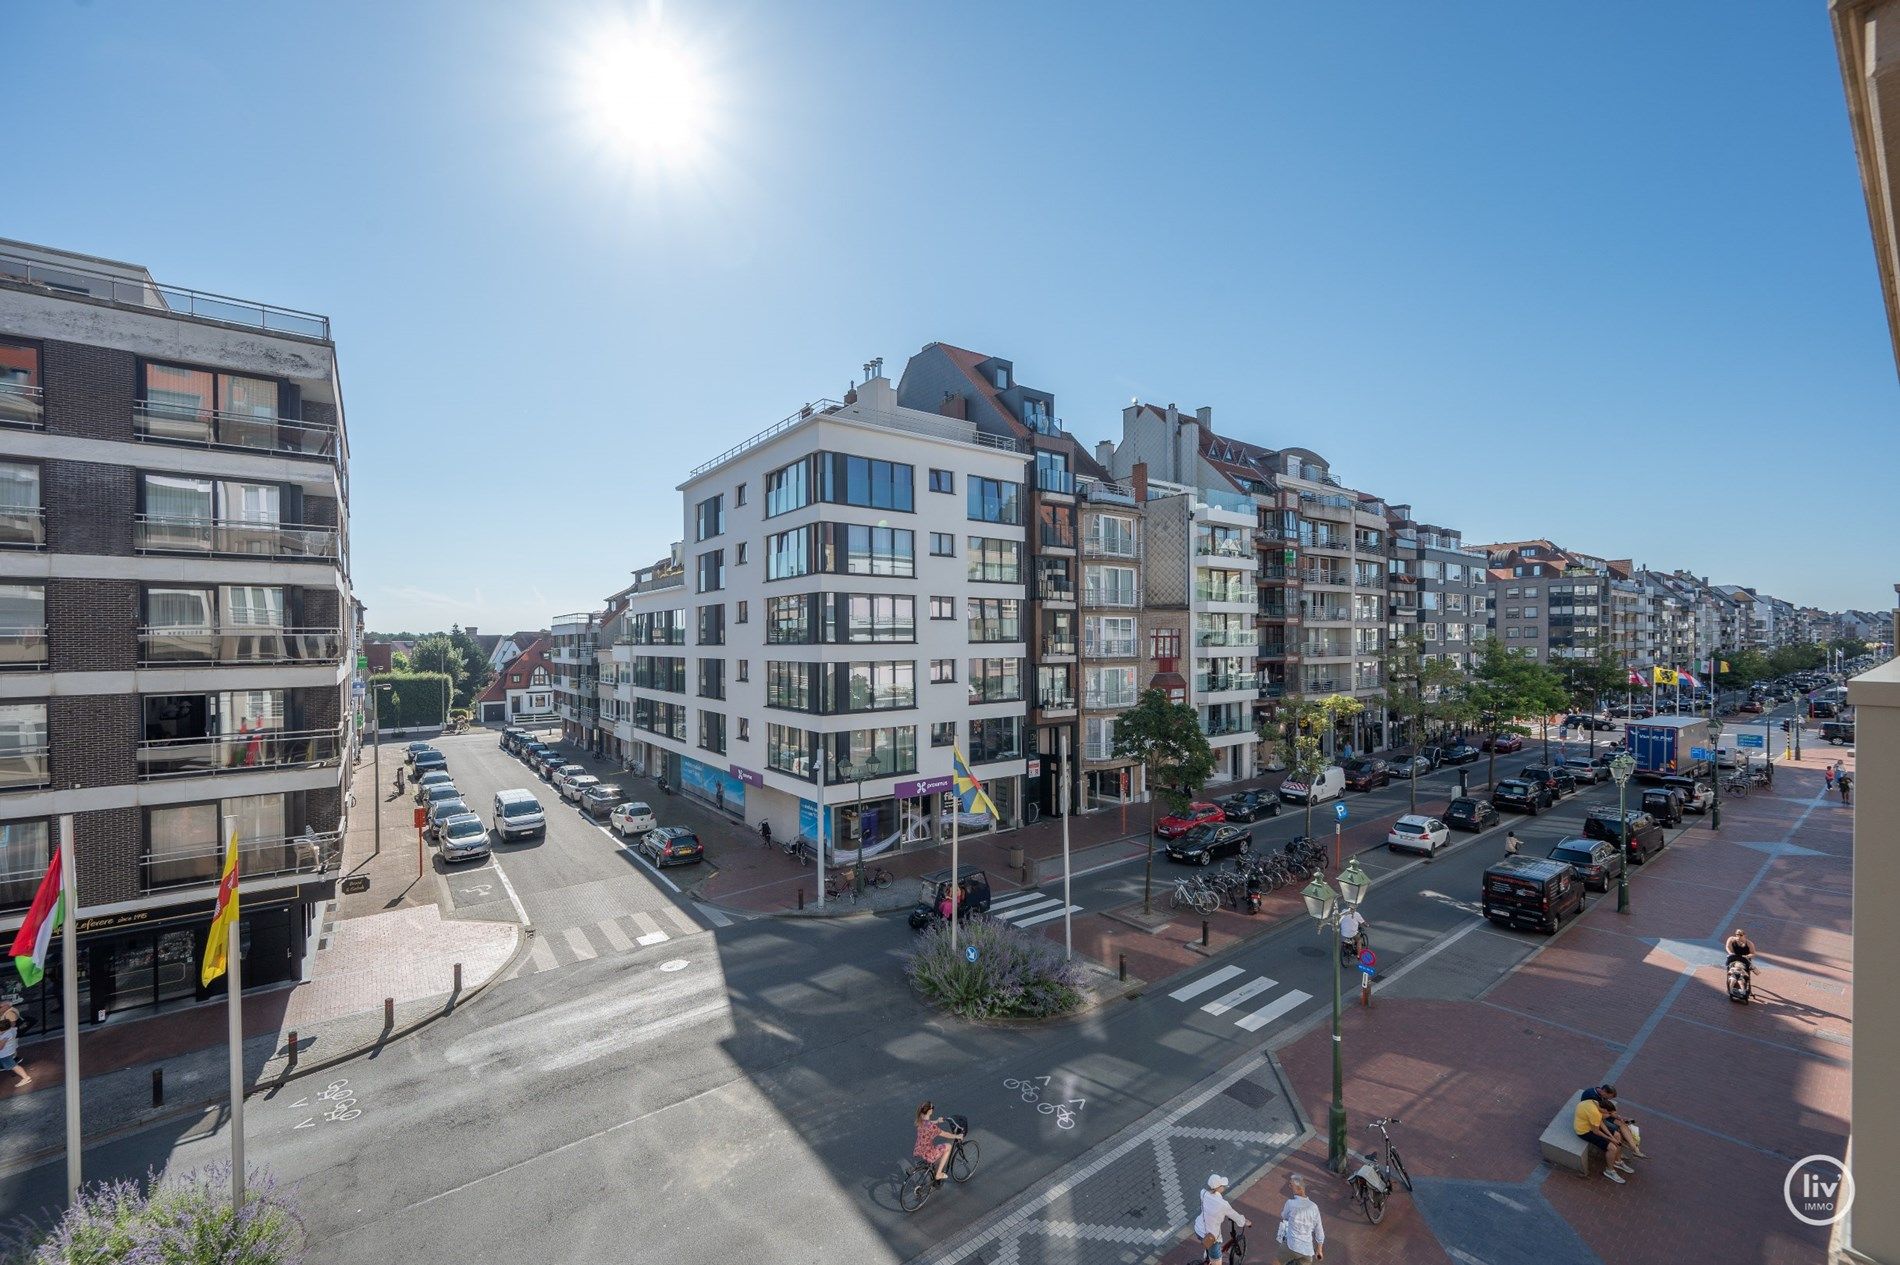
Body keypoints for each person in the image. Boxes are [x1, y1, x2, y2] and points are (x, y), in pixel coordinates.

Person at [1574, 1086, 1634, 1183]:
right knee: (1612, 1148)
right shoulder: (1595, 1113)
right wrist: (1611, 1139)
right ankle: (1609, 1171)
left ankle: (1618, 1162)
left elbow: (1601, 1123)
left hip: (1591, 1124)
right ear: (1604, 1110)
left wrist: (1612, 1137)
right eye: (1608, 1113)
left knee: (1617, 1135)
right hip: (1584, 1131)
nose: (1608, 1115)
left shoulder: (1595, 1104)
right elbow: (1596, 1132)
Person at [1194, 1174, 1249, 1263]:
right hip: (1211, 1237)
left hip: (1198, 1228)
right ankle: (1211, 1257)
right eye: (1223, 1186)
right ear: (1218, 1188)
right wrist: (1244, 1222)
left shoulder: (1203, 1193)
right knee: (1217, 1259)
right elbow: (1236, 1216)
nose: (1224, 1187)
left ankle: (1208, 1255)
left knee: (1209, 1246)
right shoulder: (1223, 1204)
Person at [1275, 1173, 1324, 1263]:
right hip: (1307, 1251)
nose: (1289, 1187)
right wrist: (1319, 1249)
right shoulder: (1314, 1207)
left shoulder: (1290, 1203)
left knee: (1276, 1262)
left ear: (1299, 1189)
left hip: (1291, 1246)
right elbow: (1319, 1229)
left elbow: (1284, 1216)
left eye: (1291, 1185)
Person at [913, 1102, 963, 1184]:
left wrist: (937, 1121)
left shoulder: (920, 1120)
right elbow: (945, 1134)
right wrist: (957, 1136)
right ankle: (938, 1174)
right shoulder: (931, 1127)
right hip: (928, 1152)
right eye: (932, 1107)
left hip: (919, 1149)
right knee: (948, 1146)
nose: (933, 1108)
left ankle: (933, 1166)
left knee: (938, 1150)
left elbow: (928, 1123)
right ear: (929, 1111)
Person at [0, 1012, 29, 1087]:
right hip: (9, 1052)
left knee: (13, 1066)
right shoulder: (11, 1030)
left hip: (5, 1054)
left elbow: (0, 1047)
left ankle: (26, 1078)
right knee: (10, 1065)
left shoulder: (6, 1035)